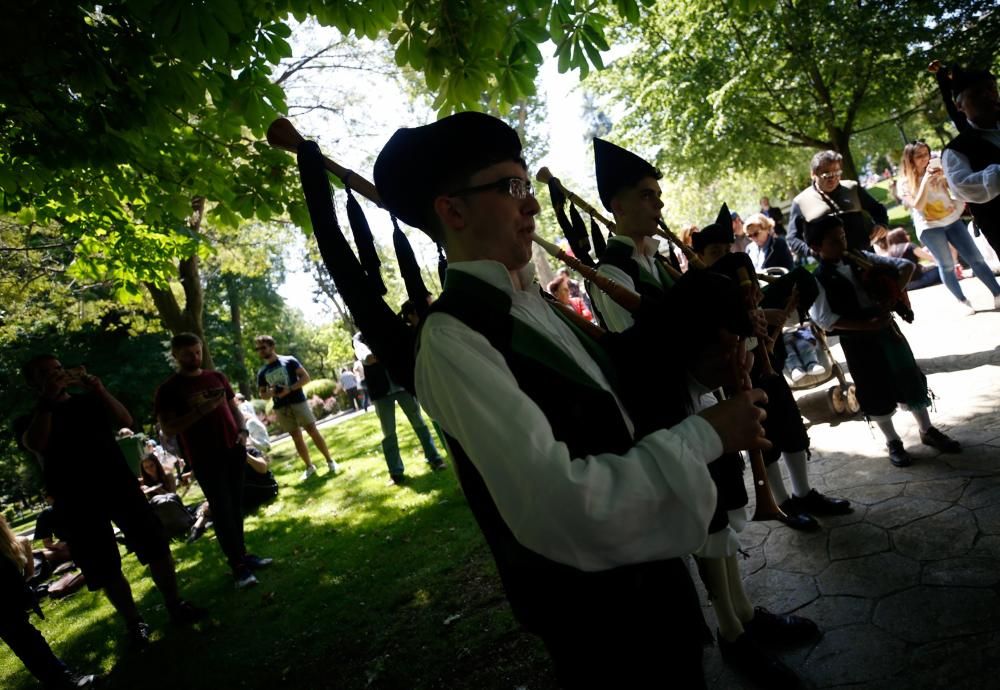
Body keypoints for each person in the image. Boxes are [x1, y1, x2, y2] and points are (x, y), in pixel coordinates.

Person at [373, 111, 773, 688]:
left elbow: (612, 409)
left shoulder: (533, 305)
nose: (531, 205)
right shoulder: (453, 338)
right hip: (599, 618)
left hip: (649, 585)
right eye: (511, 187)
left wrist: (701, 372)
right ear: (453, 210)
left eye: (527, 188)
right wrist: (707, 434)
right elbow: (558, 503)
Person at [20, 356, 205, 645]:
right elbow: (37, 444)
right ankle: (135, 624)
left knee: (155, 546)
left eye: (58, 369)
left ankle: (175, 605)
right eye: (46, 374)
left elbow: (125, 420)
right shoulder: (31, 418)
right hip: (75, 500)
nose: (56, 376)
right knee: (105, 566)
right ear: (34, 384)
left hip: (118, 485)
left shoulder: (88, 400)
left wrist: (98, 388)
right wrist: (47, 401)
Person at [805, 216, 961, 467]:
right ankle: (893, 442)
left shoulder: (861, 258)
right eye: (834, 241)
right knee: (873, 387)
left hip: (887, 331)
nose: (841, 243)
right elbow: (826, 319)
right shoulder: (817, 280)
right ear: (816, 248)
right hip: (858, 342)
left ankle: (927, 430)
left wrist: (890, 297)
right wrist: (866, 325)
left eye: (842, 236)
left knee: (908, 376)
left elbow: (904, 267)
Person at [155, 333, 272, 588]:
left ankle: (242, 555)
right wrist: (200, 410)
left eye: (197, 352)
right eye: (187, 354)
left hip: (234, 449)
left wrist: (242, 433)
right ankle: (238, 567)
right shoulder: (168, 390)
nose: (194, 357)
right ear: (175, 355)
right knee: (221, 510)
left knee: (235, 506)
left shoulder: (216, 377)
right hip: (205, 457)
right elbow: (169, 428)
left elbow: (234, 409)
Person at [900, 140, 1000, 313]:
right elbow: (918, 205)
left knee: (976, 258)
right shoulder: (905, 183)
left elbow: (956, 191)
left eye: (927, 153)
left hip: (952, 220)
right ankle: (962, 301)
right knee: (946, 265)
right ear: (910, 159)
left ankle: (997, 294)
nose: (925, 158)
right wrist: (925, 181)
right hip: (929, 227)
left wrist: (945, 178)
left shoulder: (936, 171)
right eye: (920, 155)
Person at [588, 136, 675, 332]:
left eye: (658, 195)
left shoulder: (657, 261)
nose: (659, 204)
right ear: (619, 207)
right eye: (646, 195)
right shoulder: (610, 272)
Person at [1, 514, 97, 689]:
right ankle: (61, 680)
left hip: (11, 602)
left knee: (24, 638)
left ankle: (59, 678)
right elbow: (28, 575)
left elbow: (27, 575)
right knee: (25, 639)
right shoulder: (16, 545)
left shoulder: (15, 545)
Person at [352, 332, 445, 485]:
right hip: (380, 392)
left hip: (401, 385)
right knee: (388, 432)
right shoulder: (358, 339)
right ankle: (396, 472)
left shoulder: (385, 330)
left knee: (419, 423)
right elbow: (367, 358)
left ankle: (435, 458)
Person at [254, 335, 339, 480]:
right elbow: (263, 395)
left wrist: (290, 388)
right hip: (281, 407)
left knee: (312, 431)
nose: (260, 351)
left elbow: (306, 377)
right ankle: (309, 467)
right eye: (258, 349)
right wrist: (271, 392)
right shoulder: (262, 372)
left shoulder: (289, 360)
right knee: (296, 438)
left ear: (272, 346)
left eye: (263, 347)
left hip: (298, 402)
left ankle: (330, 461)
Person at [787, 150, 890, 259]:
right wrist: (812, 252)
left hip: (864, 256)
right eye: (827, 174)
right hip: (831, 267)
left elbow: (878, 209)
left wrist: (882, 224)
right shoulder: (801, 201)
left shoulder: (852, 188)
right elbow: (792, 238)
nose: (833, 179)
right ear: (813, 174)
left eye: (837, 173)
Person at [941, 66, 1000, 256]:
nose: (987, 96)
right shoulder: (956, 151)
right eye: (975, 94)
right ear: (959, 106)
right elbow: (963, 187)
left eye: (991, 89)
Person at [873, 228, 941, 291]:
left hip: (903, 285)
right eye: (906, 234)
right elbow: (933, 258)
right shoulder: (909, 246)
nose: (908, 236)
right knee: (942, 269)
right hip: (917, 281)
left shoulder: (890, 251)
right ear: (901, 237)